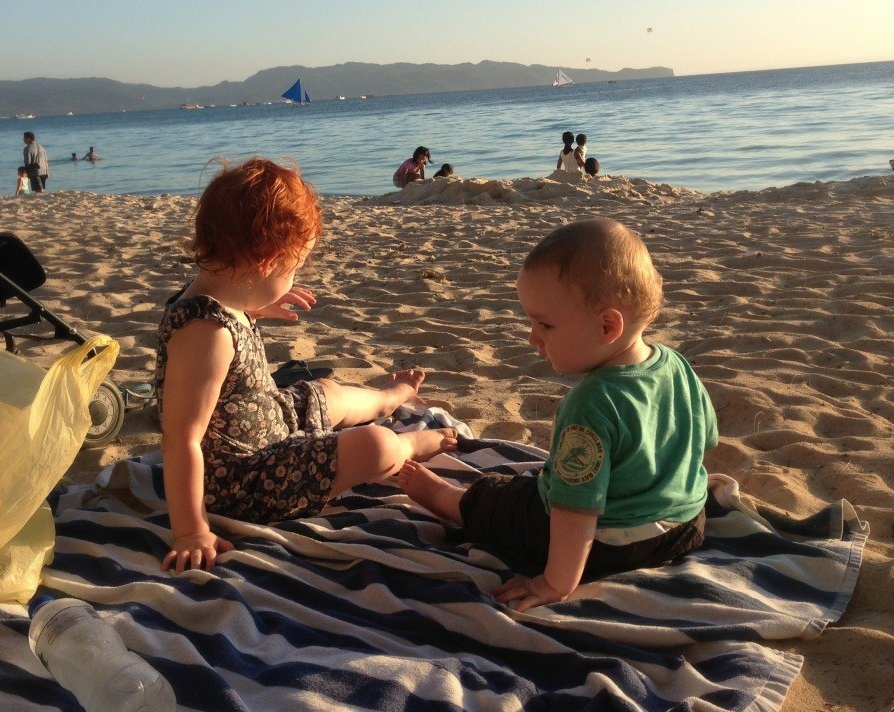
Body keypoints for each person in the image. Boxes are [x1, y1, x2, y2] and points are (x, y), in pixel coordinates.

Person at [155, 157, 458, 573]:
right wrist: (191, 531)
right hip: (246, 480)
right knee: (376, 444)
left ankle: (389, 397)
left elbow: (229, 336)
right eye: (292, 268)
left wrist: (257, 309)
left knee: (327, 391)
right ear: (265, 261)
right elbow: (181, 438)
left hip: (267, 421)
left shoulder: (217, 299)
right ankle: (409, 446)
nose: (294, 277)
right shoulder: (207, 334)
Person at [399, 218, 717, 612]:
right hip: (687, 526)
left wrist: (555, 583)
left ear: (607, 326)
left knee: (508, 502)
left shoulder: (590, 405)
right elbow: (703, 439)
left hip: (611, 546)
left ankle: (447, 498)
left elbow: (575, 512)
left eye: (545, 324)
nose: (533, 337)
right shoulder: (675, 364)